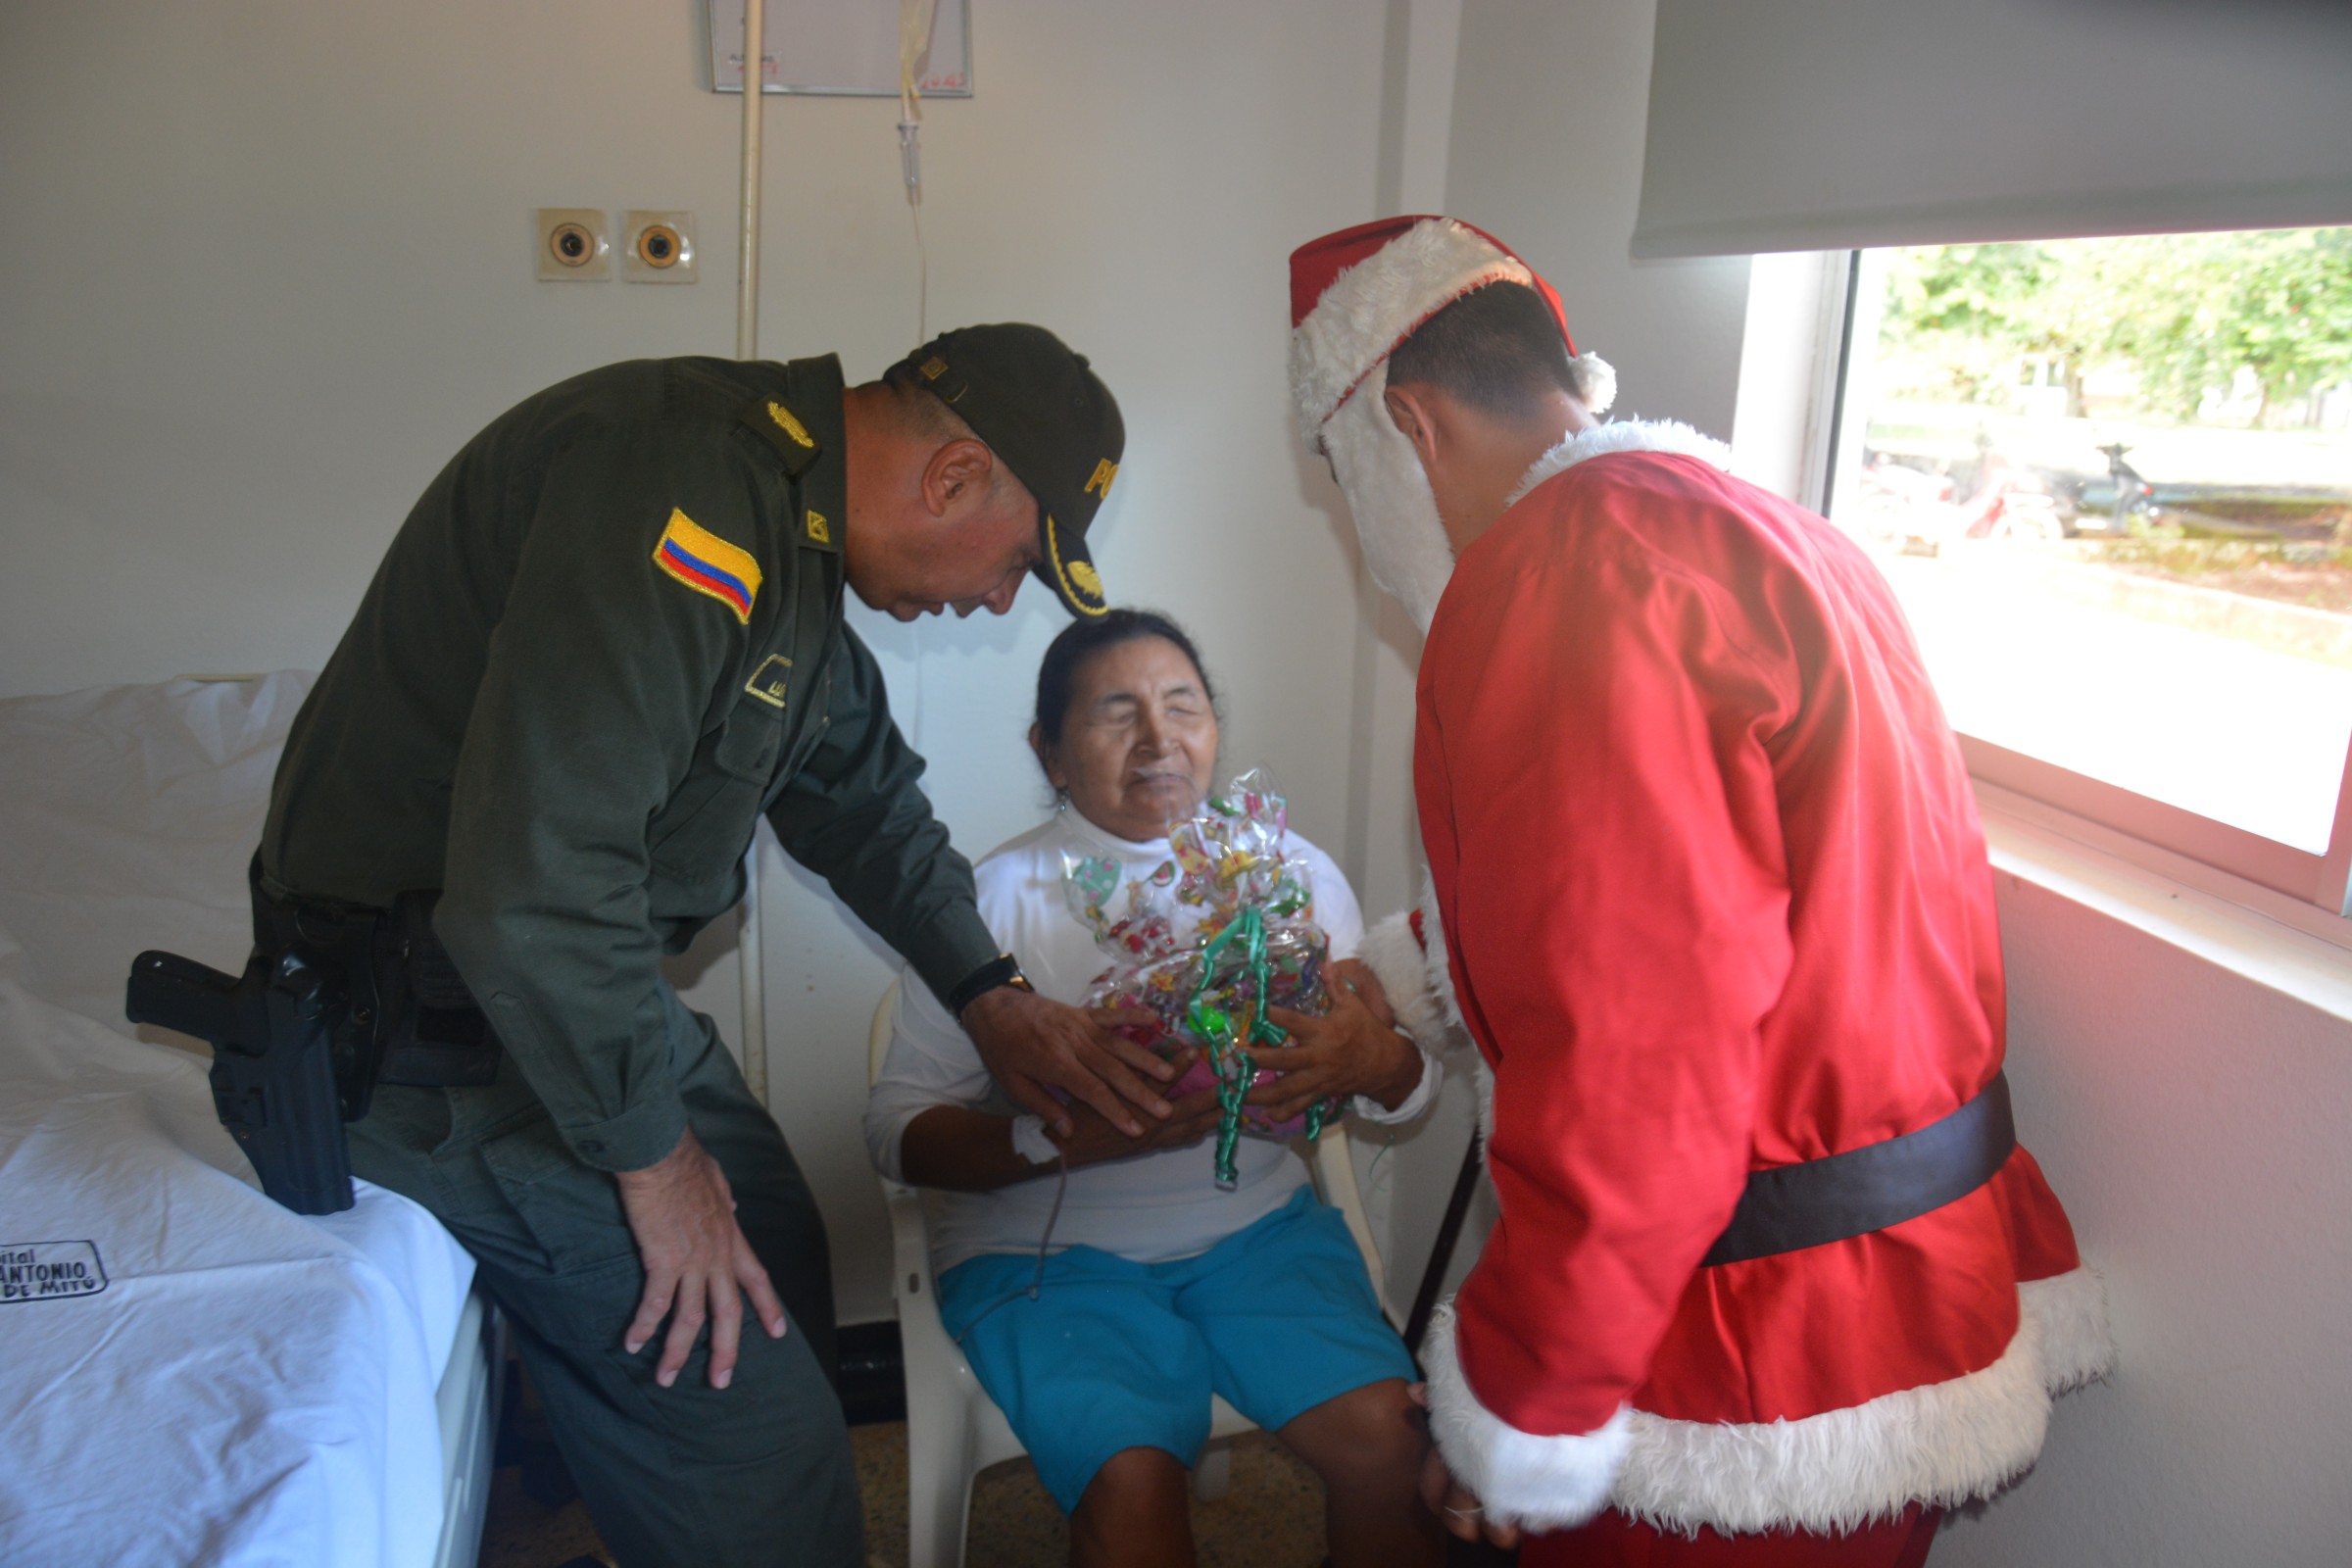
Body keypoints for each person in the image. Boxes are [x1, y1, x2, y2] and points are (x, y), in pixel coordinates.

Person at [255, 325, 1183, 1568]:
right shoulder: (679, 490)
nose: (998, 600)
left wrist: (994, 995)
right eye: (1018, 561)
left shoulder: (782, 540)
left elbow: (867, 808)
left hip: (545, 999)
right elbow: (531, 895)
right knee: (760, 1451)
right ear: (956, 476)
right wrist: (653, 1161)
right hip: (436, 1042)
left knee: (778, 1244)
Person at [1285, 217, 2116, 1565]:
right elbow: (1697, 893)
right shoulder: (1772, 534)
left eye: (1340, 473)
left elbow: (1634, 1051)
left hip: (1737, 1343)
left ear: (1405, 428)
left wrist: (1525, 1397)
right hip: (1906, 1287)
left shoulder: (1561, 584)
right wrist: (1393, 978)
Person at [865, 609, 1448, 1568]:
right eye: (1114, 712)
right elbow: (893, 1132)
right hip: (1044, 1256)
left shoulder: (1288, 883)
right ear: (1049, 751)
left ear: (1215, 728)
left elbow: (1404, 1094)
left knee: (1398, 1447)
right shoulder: (987, 905)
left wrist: (1377, 1064)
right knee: (1130, 1483)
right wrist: (1065, 1139)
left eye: (1183, 704)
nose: (1158, 736)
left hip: (1258, 1237)